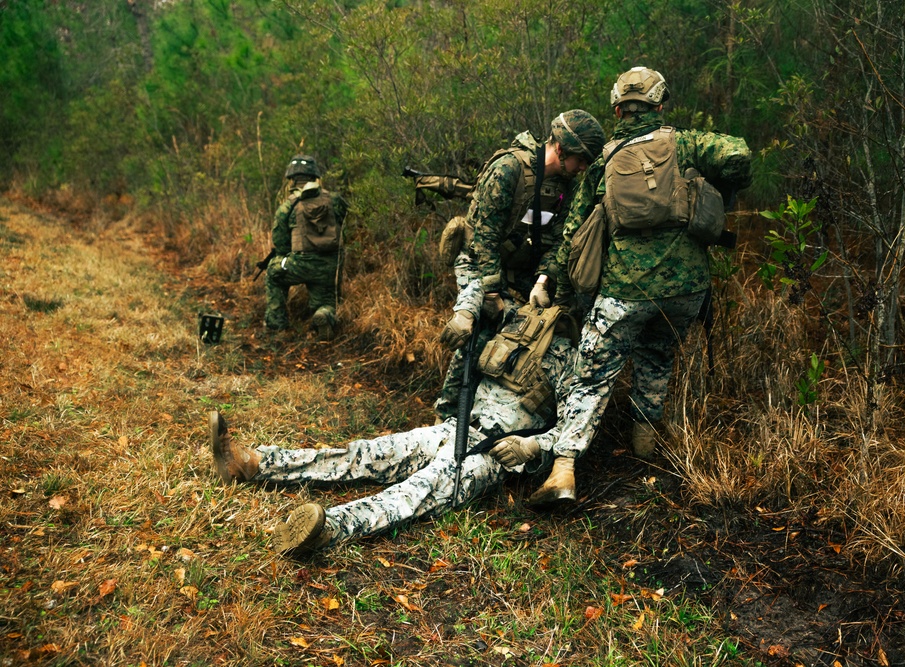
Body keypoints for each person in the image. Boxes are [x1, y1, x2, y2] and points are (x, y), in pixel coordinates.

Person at [210, 285, 580, 555]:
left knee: (415, 492)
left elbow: (573, 433)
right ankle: (256, 464)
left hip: (491, 453)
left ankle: (328, 529)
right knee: (367, 453)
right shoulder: (513, 323)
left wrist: (533, 447)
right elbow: (475, 300)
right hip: (454, 429)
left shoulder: (578, 362)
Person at [528, 67, 753, 505]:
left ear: (616, 109)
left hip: (625, 292)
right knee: (656, 356)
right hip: (687, 290)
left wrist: (548, 278)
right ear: (660, 105)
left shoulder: (605, 161)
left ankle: (563, 471)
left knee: (591, 376)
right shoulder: (685, 143)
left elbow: (573, 233)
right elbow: (738, 157)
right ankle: (644, 452)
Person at [434, 110, 606, 422]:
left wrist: (542, 282)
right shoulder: (509, 168)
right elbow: (483, 237)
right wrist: (491, 295)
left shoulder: (564, 186)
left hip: (521, 269)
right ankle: (446, 414)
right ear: (562, 150)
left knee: (544, 324)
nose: (582, 168)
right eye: (580, 160)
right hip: (478, 262)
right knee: (479, 331)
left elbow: (556, 240)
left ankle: (498, 411)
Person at [264, 154, 348, 340]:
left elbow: (280, 243)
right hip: (329, 266)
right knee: (327, 302)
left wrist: (290, 258)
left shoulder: (288, 206)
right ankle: (324, 314)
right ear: (315, 177)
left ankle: (278, 328)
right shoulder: (334, 200)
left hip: (299, 264)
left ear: (292, 179)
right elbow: (345, 226)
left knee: (273, 273)